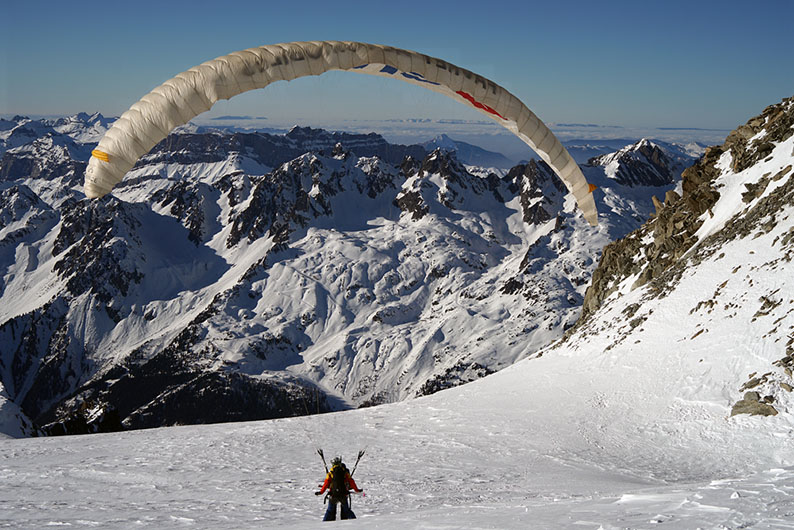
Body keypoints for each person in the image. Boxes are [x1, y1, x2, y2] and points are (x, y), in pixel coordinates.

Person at [315, 456, 363, 521]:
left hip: (333, 495)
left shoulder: (330, 473)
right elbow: (351, 482)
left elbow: (326, 484)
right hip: (343, 495)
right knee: (347, 510)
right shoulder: (345, 472)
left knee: (329, 511)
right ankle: (355, 522)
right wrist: (357, 490)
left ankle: (323, 524)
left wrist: (321, 492)